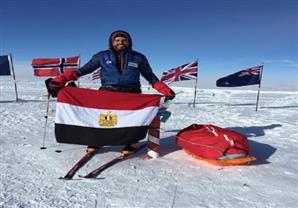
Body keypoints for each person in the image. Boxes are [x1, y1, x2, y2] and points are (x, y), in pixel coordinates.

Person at [48, 30, 175, 153]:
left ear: (129, 42)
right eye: (117, 40)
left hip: (132, 95)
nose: (120, 42)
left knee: (131, 120)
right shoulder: (102, 56)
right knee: (102, 119)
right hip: (107, 93)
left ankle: (132, 142)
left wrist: (164, 89)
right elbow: (83, 70)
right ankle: (96, 141)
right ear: (111, 42)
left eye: (124, 40)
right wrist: (63, 78)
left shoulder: (138, 57)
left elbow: (150, 76)